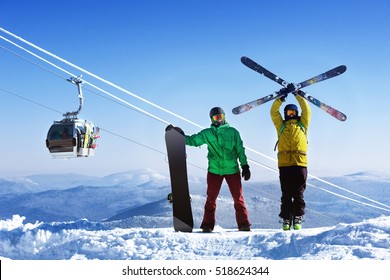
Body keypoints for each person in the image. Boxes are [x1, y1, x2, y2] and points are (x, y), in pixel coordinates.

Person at [184, 107, 252, 232]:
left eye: (221, 116)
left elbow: (240, 150)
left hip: (232, 170)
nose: (219, 119)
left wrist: (245, 166)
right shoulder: (207, 133)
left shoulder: (233, 132)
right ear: (212, 119)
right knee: (211, 198)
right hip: (214, 171)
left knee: (238, 198)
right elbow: (193, 140)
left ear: (224, 117)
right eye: (216, 117)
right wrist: (178, 136)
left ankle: (244, 224)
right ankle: (207, 226)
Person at [270, 90, 311, 230]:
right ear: (285, 114)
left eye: (293, 113)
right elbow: (273, 112)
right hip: (285, 164)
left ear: (297, 113)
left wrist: (297, 95)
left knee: (299, 193)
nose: (291, 115)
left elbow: (307, 110)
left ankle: (298, 217)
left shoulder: (303, 125)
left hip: (300, 163)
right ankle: (286, 218)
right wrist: (280, 99)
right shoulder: (281, 126)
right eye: (288, 113)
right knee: (286, 193)